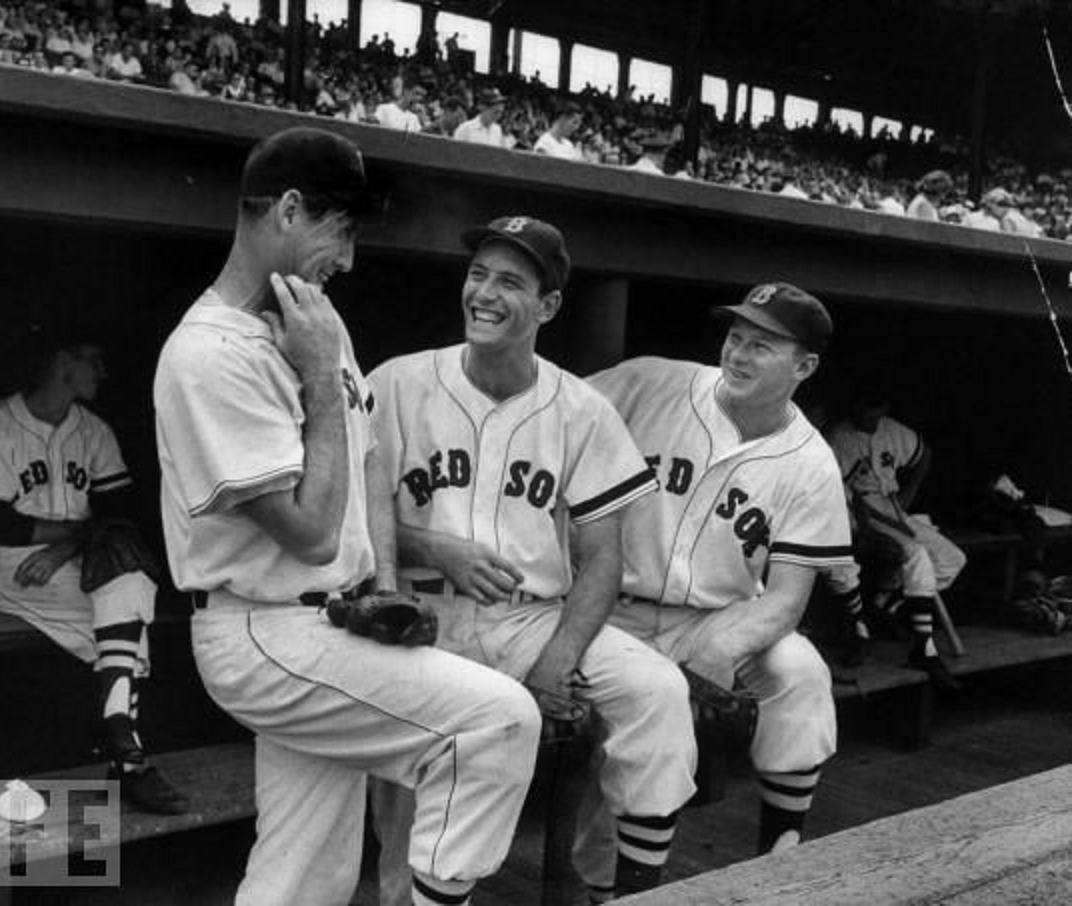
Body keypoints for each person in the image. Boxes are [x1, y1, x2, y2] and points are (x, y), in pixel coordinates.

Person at [152, 127, 541, 906]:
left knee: (305, 875)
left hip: (329, 619)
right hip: (262, 632)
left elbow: (364, 458)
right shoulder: (209, 354)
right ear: (290, 210)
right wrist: (321, 381)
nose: (351, 257)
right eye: (343, 229)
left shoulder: (313, 320)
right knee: (498, 723)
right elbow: (310, 529)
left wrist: (383, 581)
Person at [367, 215, 696, 905]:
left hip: (530, 622)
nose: (483, 292)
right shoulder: (396, 382)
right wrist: (433, 546)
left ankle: (628, 891)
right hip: (420, 613)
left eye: (509, 281)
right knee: (405, 804)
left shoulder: (581, 407)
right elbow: (347, 524)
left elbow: (604, 558)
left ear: (547, 306)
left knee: (657, 693)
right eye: (478, 274)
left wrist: (560, 660)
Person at [586, 283, 853, 865]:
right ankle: (620, 889)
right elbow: (553, 413)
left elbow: (786, 601)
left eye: (761, 345)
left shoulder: (811, 462)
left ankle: (781, 859)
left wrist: (724, 647)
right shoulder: (654, 381)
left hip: (710, 618)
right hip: (605, 610)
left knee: (800, 670)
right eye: (735, 337)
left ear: (804, 366)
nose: (737, 353)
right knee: (618, 787)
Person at [0, 332, 189, 815]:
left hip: (74, 557)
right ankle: (128, 758)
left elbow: (117, 511)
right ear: (63, 362)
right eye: (93, 361)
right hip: (19, 567)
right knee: (127, 631)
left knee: (130, 580)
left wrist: (66, 546)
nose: (102, 372)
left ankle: (126, 749)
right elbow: (2, 523)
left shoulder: (94, 430)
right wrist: (75, 536)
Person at [828, 393, 966, 687]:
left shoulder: (890, 429)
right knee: (915, 555)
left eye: (874, 409)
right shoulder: (839, 437)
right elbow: (841, 495)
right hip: (858, 513)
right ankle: (925, 647)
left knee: (952, 558)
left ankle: (884, 603)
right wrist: (870, 527)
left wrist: (910, 492)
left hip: (894, 508)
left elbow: (924, 453)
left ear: (884, 407)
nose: (868, 416)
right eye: (863, 408)